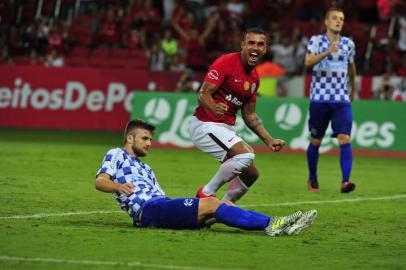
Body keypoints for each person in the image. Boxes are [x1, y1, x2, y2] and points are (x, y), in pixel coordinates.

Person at [95, 119, 317, 236]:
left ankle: (282, 226)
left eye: (151, 139)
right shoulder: (117, 154)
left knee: (223, 204)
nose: (149, 143)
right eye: (145, 138)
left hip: (161, 207)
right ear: (130, 138)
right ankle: (273, 224)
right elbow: (100, 181)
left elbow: (163, 199)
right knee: (211, 203)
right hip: (149, 210)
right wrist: (117, 186)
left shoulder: (147, 169)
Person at [189, 27, 286, 203]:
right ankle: (206, 193)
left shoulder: (254, 79)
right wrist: (213, 107)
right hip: (204, 124)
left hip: (225, 127)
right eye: (251, 43)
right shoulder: (226, 62)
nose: (255, 48)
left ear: (265, 49)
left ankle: (221, 209)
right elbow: (203, 93)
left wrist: (269, 140)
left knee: (251, 174)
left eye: (260, 44)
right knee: (246, 155)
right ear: (243, 45)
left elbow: (249, 115)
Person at [304, 7, 357, 193]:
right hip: (319, 98)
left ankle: (345, 182)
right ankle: (312, 178)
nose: (338, 21)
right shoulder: (316, 41)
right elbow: (308, 62)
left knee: (344, 138)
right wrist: (327, 51)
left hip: (341, 99)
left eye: (341, 18)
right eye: (334, 18)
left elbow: (351, 67)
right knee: (316, 140)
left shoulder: (349, 44)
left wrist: (353, 88)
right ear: (326, 22)